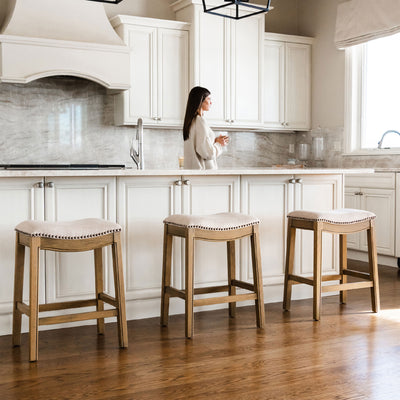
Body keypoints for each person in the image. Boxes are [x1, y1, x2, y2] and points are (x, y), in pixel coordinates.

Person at [183, 86, 229, 169]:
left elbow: (201, 146)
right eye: (209, 99)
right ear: (200, 100)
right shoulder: (200, 121)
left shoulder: (191, 121)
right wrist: (219, 144)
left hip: (193, 172)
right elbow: (207, 153)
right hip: (204, 174)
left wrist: (214, 141)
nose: (211, 103)